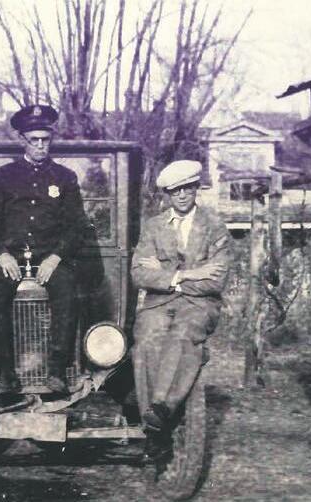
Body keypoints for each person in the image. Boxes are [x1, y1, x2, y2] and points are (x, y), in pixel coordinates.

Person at [0, 104, 89, 394]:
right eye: (34, 140)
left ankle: (57, 371)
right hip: (10, 258)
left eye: (45, 139)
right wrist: (1, 255)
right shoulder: (4, 176)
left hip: (51, 258)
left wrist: (56, 257)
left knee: (68, 293)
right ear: (22, 140)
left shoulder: (65, 177)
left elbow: (77, 226)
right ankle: (4, 373)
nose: (40, 145)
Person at [130, 160, 230, 448]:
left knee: (182, 335)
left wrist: (163, 274)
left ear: (196, 188)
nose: (182, 195)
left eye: (187, 188)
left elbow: (215, 281)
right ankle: (152, 423)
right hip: (158, 304)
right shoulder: (154, 226)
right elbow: (138, 274)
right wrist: (187, 274)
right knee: (146, 341)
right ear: (167, 195)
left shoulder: (214, 226)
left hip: (200, 304)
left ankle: (161, 411)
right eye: (175, 191)